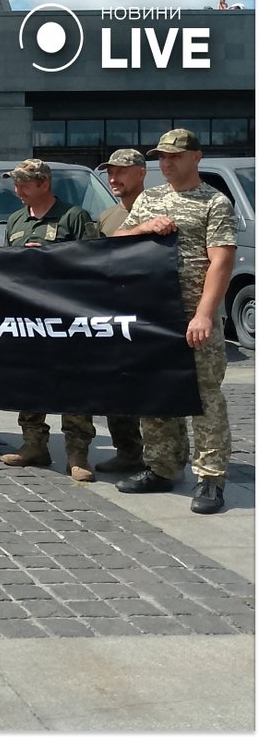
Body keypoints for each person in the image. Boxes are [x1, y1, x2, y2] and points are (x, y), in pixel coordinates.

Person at [113, 128, 237, 515]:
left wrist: (204, 313)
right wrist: (143, 228)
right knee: (156, 393)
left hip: (193, 316)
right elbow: (118, 239)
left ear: (196, 157)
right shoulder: (150, 198)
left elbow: (222, 260)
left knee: (204, 398)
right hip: (153, 314)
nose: (166, 163)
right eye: (161, 158)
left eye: (174, 157)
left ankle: (211, 477)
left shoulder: (213, 202)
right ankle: (163, 467)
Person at [0, 159, 99, 481]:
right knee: (29, 379)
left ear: (44, 183)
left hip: (67, 316)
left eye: (25, 183)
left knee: (74, 382)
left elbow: (94, 262)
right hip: (28, 316)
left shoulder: (74, 217)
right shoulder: (15, 220)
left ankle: (77, 453)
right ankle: (34, 445)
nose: (18, 190)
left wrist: (49, 254)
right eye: (16, 183)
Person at [94, 148, 188, 474]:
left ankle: (167, 457)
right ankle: (127, 450)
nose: (113, 178)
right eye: (110, 172)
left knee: (158, 389)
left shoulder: (163, 207)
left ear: (141, 173)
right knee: (115, 385)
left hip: (153, 314)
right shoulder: (106, 217)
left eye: (121, 171)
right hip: (114, 314)